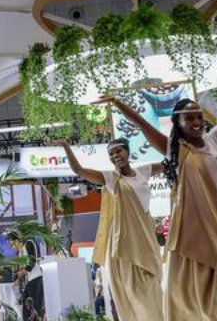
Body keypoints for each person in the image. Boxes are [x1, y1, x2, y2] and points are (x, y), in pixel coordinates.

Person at [97, 95, 217, 321]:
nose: (196, 122)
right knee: (202, 293)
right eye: (189, 118)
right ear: (178, 124)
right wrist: (117, 103)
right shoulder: (175, 149)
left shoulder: (214, 139)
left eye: (199, 116)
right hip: (198, 230)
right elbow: (140, 123)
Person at [57, 137, 162, 321]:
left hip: (145, 238)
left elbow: (170, 164)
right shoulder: (111, 178)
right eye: (111, 154)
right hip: (124, 243)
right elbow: (79, 170)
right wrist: (66, 147)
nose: (115, 156)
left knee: (153, 290)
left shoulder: (143, 171)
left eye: (119, 151)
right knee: (134, 292)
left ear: (128, 152)